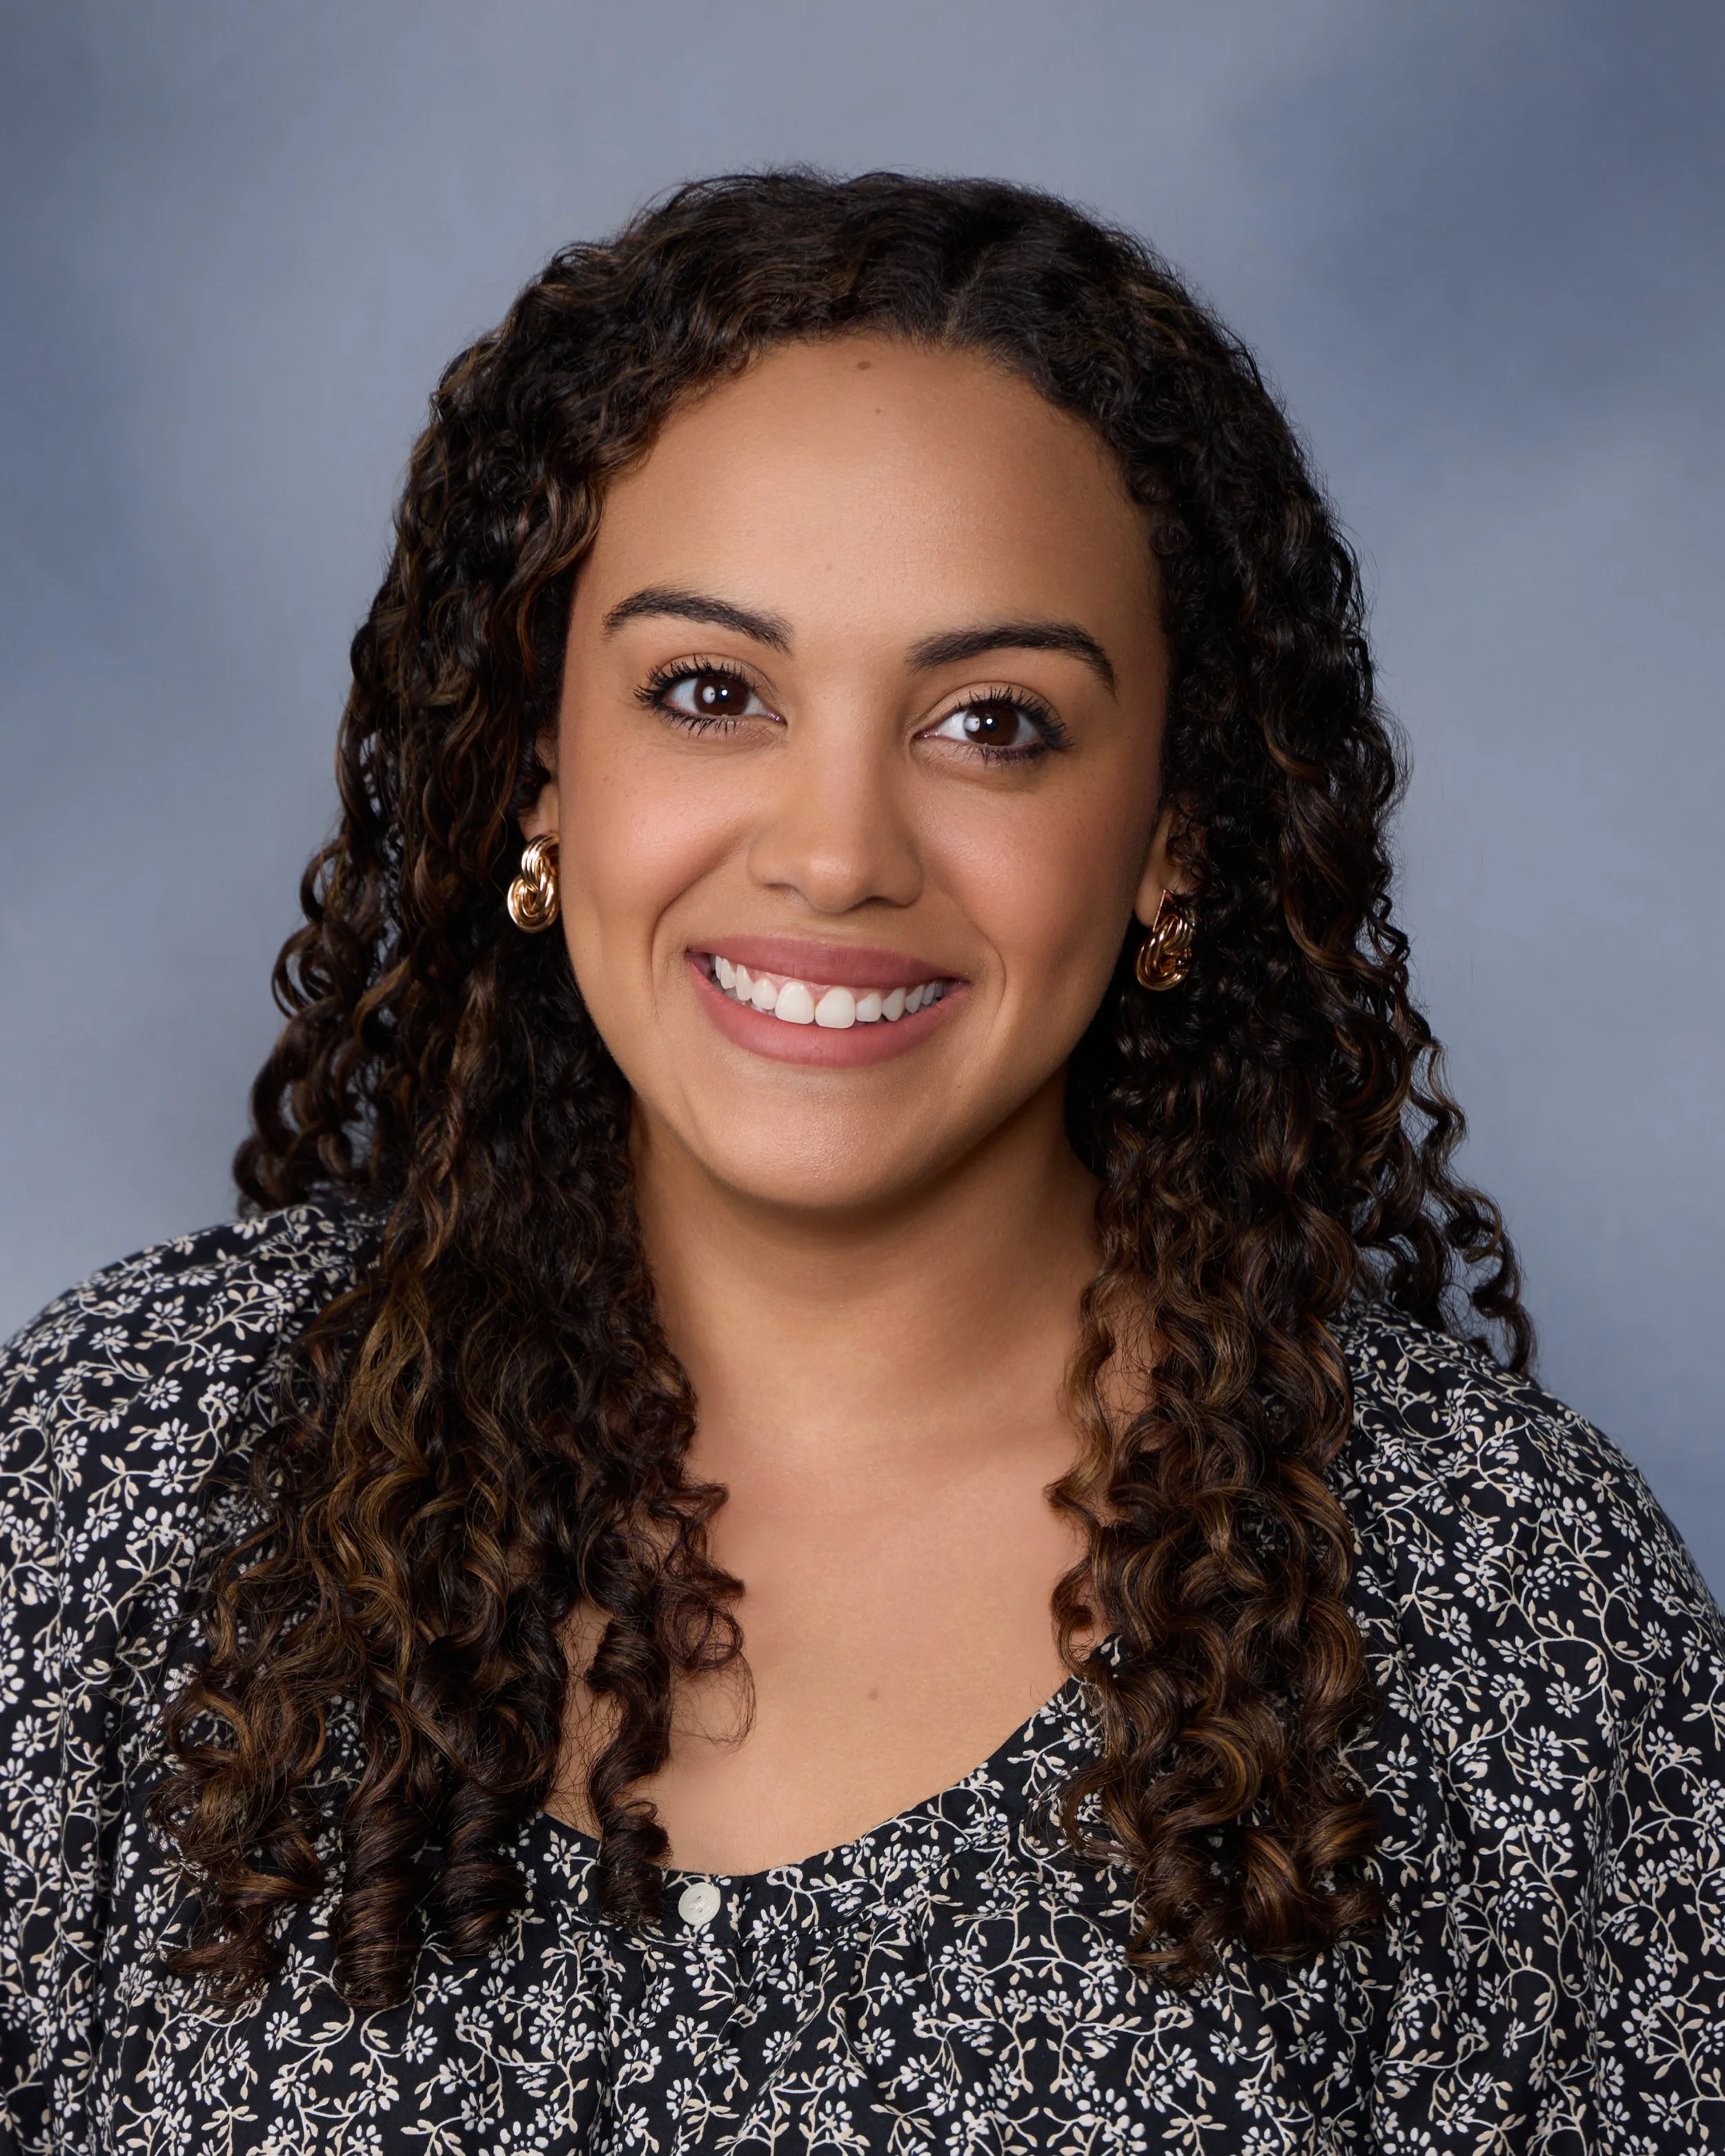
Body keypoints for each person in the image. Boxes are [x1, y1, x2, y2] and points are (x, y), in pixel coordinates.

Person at [1, 170, 1720, 2155]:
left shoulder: (1498, 1605)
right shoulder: (124, 1475)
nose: (836, 852)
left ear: (1172, 831)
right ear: (545, 768)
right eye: (709, 694)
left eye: (994, 722)